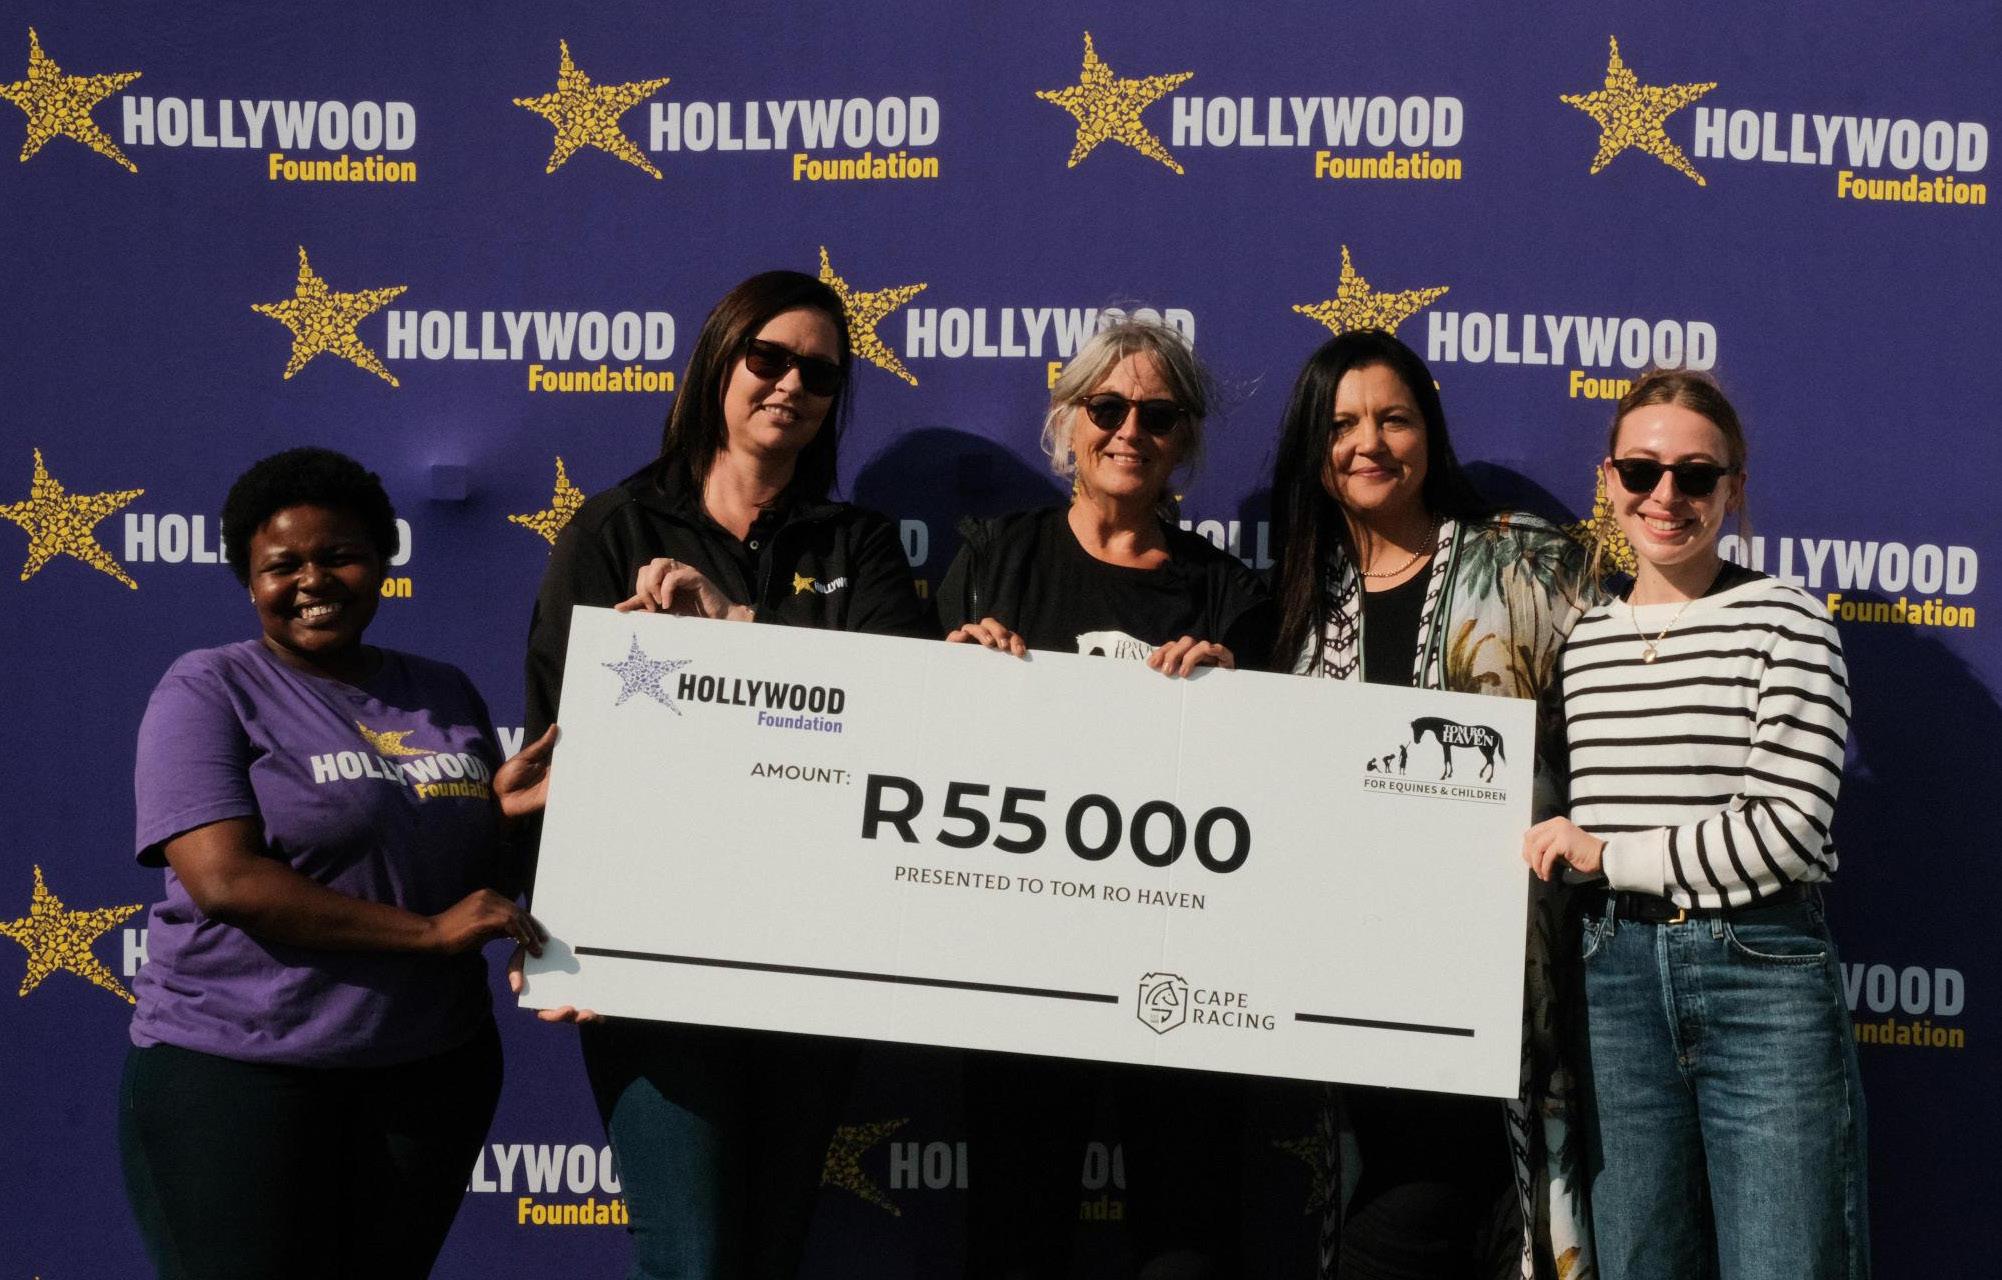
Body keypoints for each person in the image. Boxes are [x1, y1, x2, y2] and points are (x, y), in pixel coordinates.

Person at [517, 269, 932, 1279]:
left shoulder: (860, 543)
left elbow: (900, 718)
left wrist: (734, 627)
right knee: (692, 1258)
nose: (791, 385)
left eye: (819, 374)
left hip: (811, 947)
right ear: (718, 362)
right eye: (768, 358)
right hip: (654, 948)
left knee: (769, 1252)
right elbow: (558, 750)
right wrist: (568, 931)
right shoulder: (614, 531)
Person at [120, 447, 554, 1280]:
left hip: (428, 1074)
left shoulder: (442, 690)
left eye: (341, 555)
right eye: (283, 565)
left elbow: (456, 872)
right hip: (241, 1073)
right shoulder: (210, 687)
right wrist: (428, 935)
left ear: (383, 560)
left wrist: (500, 817)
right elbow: (225, 880)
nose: (313, 580)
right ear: (250, 581)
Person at [935, 315, 1274, 1278]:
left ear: (1184, 439)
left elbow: (1267, 791)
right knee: (1014, 1240)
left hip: (1184, 975)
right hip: (1022, 964)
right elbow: (921, 759)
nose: (1130, 430)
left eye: (1157, 415)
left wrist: (1238, 699)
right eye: (1108, 407)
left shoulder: (1230, 595)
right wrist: (953, 678)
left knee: (1188, 1247)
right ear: (1068, 420)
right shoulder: (993, 562)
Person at [1522, 370, 1868, 1279]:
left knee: (1787, 1261)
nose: (1666, 496)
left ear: (1733, 489)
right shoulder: (1583, 642)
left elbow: (1788, 830)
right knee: (1639, 1260)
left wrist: (1606, 854)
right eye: (1642, 472)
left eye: (1696, 475)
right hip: (1613, 980)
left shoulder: (1787, 620)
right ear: (1609, 481)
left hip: (1759, 973)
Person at [1265, 330, 1596, 1280]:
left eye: (1394, 419)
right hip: (1356, 1009)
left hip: (1515, 998)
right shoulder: (1298, 604)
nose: (1368, 443)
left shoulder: (1523, 564)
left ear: (1430, 435)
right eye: (1343, 424)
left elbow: (1613, 717)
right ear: (1313, 449)